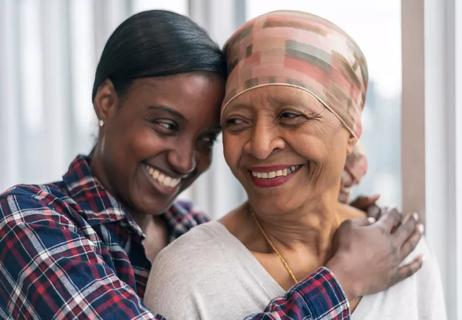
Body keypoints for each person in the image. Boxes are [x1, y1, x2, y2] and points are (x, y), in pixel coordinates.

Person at [0, 10, 423, 320]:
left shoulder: (187, 226)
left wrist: (329, 201)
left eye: (207, 139)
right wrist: (342, 279)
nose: (186, 160)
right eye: (166, 125)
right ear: (106, 102)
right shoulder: (28, 219)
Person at [143, 10, 444, 319]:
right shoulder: (189, 276)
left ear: (351, 131)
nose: (260, 146)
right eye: (236, 121)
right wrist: (341, 282)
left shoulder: (402, 250)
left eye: (290, 115)